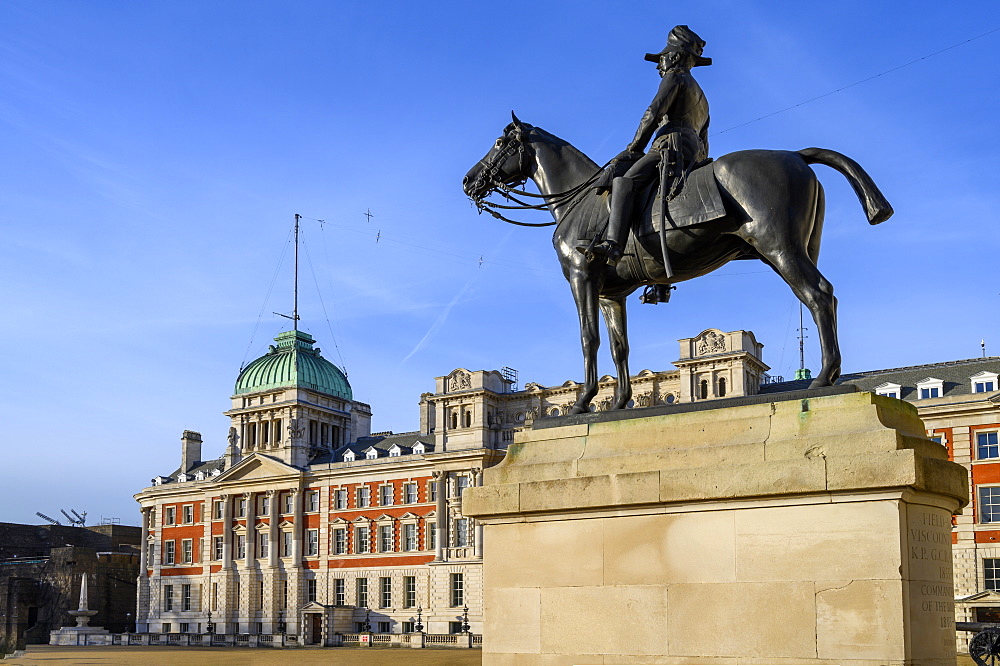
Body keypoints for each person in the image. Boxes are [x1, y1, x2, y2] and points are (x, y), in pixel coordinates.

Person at [581, 25, 712, 266]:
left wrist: (635, 147)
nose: (658, 65)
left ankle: (613, 245)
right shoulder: (702, 96)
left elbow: (653, 113)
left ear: (673, 57)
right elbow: (705, 137)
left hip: (667, 145)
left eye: (661, 58)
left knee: (625, 182)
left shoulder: (675, 77)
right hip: (692, 151)